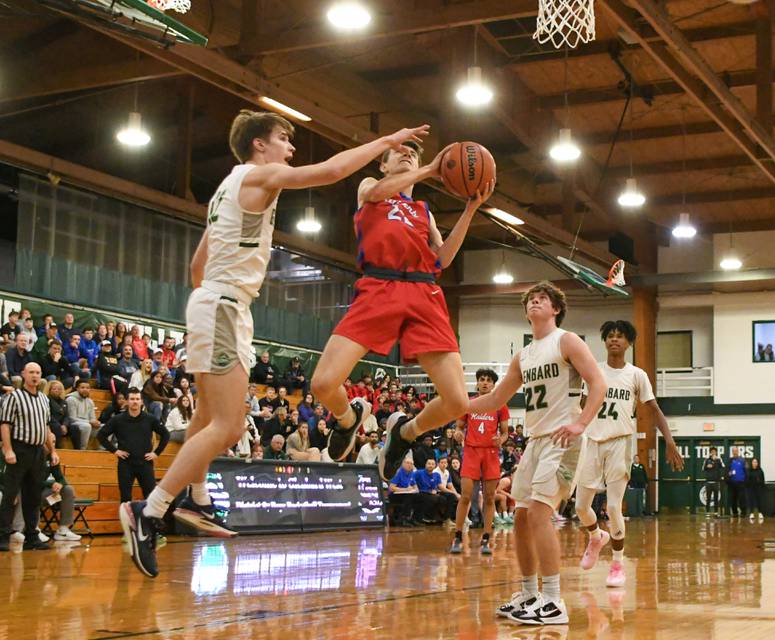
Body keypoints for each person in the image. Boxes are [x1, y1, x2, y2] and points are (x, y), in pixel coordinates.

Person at [118, 109, 431, 578]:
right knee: (227, 425)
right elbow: (330, 172)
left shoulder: (227, 189)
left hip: (215, 303)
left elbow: (196, 265)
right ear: (260, 145)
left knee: (205, 417)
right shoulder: (261, 174)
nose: (290, 147)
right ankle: (150, 510)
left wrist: (212, 301)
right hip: (224, 305)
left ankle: (198, 499)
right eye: (284, 139)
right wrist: (387, 138)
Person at [310, 138, 494, 476]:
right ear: (383, 164)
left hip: (424, 291)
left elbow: (442, 259)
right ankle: (348, 418)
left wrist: (470, 210)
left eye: (414, 152)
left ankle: (405, 432)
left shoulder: (424, 211)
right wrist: (429, 169)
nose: (408, 153)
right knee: (322, 384)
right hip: (379, 285)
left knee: (457, 402)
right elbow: (376, 194)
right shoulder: (370, 186)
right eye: (399, 152)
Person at [468, 282, 607, 626]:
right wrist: (457, 405)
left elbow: (598, 384)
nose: (535, 302)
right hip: (535, 440)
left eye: (543, 298)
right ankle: (530, 593)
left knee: (540, 515)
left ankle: (553, 600)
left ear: (556, 308)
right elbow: (495, 399)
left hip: (563, 439)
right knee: (520, 517)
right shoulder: (524, 355)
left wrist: (582, 423)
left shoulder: (567, 340)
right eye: (531, 299)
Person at [575, 320, 684, 590]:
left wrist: (669, 441)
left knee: (613, 507)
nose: (614, 340)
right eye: (610, 336)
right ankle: (596, 536)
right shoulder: (593, 371)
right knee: (580, 507)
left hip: (620, 442)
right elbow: (577, 404)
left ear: (629, 343)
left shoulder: (637, 375)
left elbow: (654, 409)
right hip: (591, 440)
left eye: (620, 336)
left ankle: (617, 563)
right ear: (604, 341)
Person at [451, 367, 509, 555]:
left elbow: (506, 432)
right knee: (466, 496)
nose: (484, 382)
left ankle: (486, 538)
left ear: (493, 385)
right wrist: (459, 434)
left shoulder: (500, 405)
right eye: (482, 379)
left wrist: (501, 439)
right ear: (477, 383)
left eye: (488, 380)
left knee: (490, 497)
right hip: (471, 451)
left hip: (491, 453)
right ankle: (458, 536)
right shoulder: (469, 403)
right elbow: (459, 427)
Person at [0, 362, 56, 552]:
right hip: (19, 449)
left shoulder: (44, 399)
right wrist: (8, 450)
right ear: (23, 374)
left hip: (38, 451)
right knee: (10, 495)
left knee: (33, 497)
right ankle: (3, 536)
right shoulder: (14, 397)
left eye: (38, 372)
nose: (34, 375)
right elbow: (5, 425)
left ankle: (32, 537)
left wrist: (53, 451)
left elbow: (46, 428)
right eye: (31, 372)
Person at [97, 388, 169, 504]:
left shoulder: (150, 419)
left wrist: (156, 453)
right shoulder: (118, 419)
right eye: (132, 399)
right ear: (127, 401)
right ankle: (126, 522)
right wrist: (115, 450)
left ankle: (149, 521)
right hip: (126, 464)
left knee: (150, 497)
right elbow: (101, 435)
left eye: (137, 399)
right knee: (125, 498)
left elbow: (166, 434)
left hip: (145, 463)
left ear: (141, 402)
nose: (135, 402)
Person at [11, 457, 81, 542]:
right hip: (30, 493)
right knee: (33, 491)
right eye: (51, 442)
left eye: (54, 442)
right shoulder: (33, 455)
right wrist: (51, 484)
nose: (52, 445)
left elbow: (61, 478)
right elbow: (31, 479)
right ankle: (33, 529)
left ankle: (63, 531)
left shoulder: (53, 458)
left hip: (45, 494)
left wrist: (59, 484)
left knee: (68, 489)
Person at [65, 380, 101, 450]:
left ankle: (102, 450)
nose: (85, 390)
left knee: (104, 427)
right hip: (74, 425)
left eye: (87, 388)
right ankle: (82, 450)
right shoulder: (71, 399)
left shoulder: (90, 401)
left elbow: (92, 417)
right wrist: (90, 422)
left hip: (87, 424)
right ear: (77, 388)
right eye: (82, 387)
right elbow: (72, 418)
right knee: (86, 426)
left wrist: (96, 422)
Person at [388, 457, 418, 527]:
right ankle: (404, 519)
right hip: (394, 495)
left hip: (406, 494)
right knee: (408, 497)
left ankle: (414, 518)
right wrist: (405, 490)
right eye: (407, 463)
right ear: (403, 464)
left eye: (411, 464)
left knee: (419, 496)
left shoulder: (412, 473)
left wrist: (416, 490)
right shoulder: (398, 472)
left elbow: (415, 485)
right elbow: (391, 488)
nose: (409, 465)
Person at [433, 457, 459, 525]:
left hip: (444, 491)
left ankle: (456, 518)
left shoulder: (447, 472)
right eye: (442, 462)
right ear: (438, 464)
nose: (444, 464)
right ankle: (447, 519)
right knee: (451, 496)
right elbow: (440, 487)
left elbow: (450, 485)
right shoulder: (436, 472)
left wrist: (456, 493)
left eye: (445, 462)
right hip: (436, 491)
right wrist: (454, 493)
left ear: (447, 464)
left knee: (456, 496)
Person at [702, 447, 724, 517]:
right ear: (710, 452)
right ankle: (707, 511)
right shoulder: (707, 460)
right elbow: (703, 469)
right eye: (712, 451)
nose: (713, 453)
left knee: (716, 498)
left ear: (716, 452)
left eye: (714, 451)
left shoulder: (719, 459)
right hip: (708, 482)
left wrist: (716, 461)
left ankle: (716, 512)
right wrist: (707, 466)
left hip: (716, 482)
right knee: (708, 498)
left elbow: (722, 466)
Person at [727, 446, 747, 517]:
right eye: (733, 451)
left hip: (741, 483)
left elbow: (746, 471)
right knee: (733, 498)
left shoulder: (742, 460)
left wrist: (745, 481)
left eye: (736, 451)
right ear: (732, 452)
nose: (734, 452)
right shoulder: (730, 460)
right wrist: (729, 474)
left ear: (738, 451)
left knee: (742, 498)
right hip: (732, 483)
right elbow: (727, 471)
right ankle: (734, 513)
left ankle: (743, 512)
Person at [745, 458, 765, 522]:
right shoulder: (749, 471)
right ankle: (751, 513)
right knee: (751, 500)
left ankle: (760, 513)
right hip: (751, 488)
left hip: (758, 488)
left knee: (759, 500)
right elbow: (747, 479)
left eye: (756, 462)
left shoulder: (760, 470)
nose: (755, 463)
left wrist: (761, 485)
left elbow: (762, 480)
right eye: (753, 462)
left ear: (757, 463)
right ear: (751, 463)